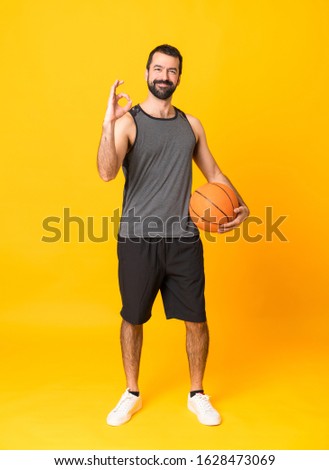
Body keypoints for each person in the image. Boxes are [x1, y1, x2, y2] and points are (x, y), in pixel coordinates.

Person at [97, 44, 249, 427]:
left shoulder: (191, 125)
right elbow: (105, 172)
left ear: (180, 76)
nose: (165, 76)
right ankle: (131, 392)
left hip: (183, 238)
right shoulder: (128, 122)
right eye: (159, 69)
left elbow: (214, 174)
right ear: (147, 72)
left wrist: (240, 204)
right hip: (137, 238)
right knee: (132, 318)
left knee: (196, 319)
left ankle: (198, 393)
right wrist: (107, 125)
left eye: (172, 71)